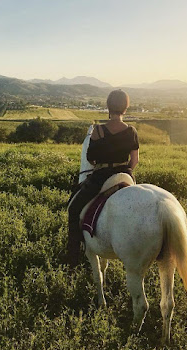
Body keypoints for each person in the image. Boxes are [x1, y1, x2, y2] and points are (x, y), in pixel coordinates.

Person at [67, 89, 139, 267]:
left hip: (101, 177)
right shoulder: (131, 131)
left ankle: (73, 254)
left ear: (108, 106)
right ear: (125, 108)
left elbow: (90, 158)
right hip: (125, 175)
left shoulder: (98, 130)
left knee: (74, 209)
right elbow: (135, 161)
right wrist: (125, 170)